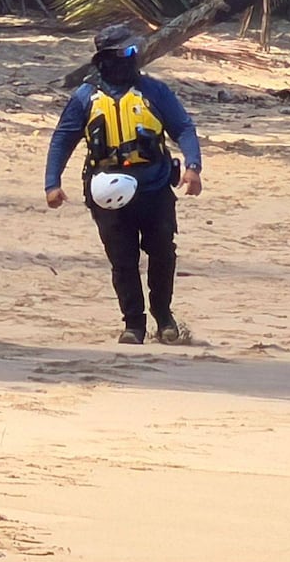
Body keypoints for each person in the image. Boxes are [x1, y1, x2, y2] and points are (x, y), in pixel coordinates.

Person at [44, 23, 203, 345]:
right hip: (107, 194)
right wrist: (52, 184)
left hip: (155, 188)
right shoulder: (85, 97)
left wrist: (193, 167)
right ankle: (133, 324)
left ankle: (164, 316)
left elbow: (183, 128)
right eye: (128, 51)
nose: (134, 57)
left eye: (135, 50)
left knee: (162, 252)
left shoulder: (155, 92)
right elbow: (63, 139)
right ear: (107, 58)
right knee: (122, 259)